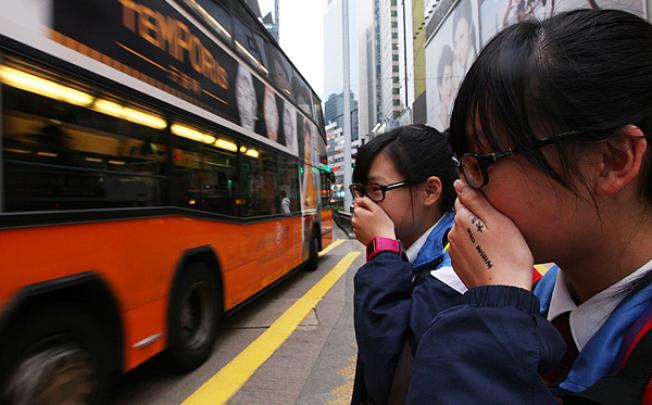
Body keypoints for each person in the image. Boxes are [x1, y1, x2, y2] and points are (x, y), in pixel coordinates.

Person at [408, 9, 652, 404]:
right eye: (463, 164)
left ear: (613, 161)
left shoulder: (505, 304)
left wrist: (491, 319)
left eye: (483, 160)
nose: (465, 188)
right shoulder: (526, 295)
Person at [349, 125, 464, 405]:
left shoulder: (456, 269)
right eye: (360, 191)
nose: (361, 204)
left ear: (430, 191)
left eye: (377, 189)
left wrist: (382, 249)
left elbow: (388, 381)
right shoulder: (416, 250)